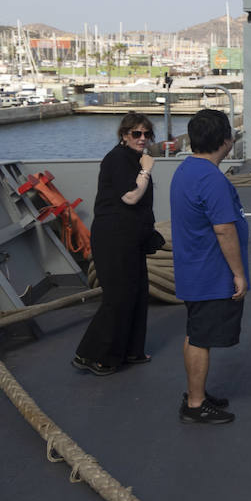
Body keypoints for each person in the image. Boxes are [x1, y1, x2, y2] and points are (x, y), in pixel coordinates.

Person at [169, 109, 248, 426]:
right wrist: (239, 274)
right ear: (226, 141)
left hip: (194, 269)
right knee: (200, 337)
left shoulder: (186, 170)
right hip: (210, 273)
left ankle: (195, 391)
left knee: (195, 333)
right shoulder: (211, 179)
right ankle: (195, 404)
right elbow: (224, 229)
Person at [73, 113, 160, 376]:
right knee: (118, 297)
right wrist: (145, 170)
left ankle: (130, 350)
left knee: (136, 293)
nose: (142, 138)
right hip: (114, 237)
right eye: (136, 134)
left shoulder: (132, 158)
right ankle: (92, 355)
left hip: (132, 236)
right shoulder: (119, 159)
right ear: (124, 135)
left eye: (146, 134)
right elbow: (131, 197)